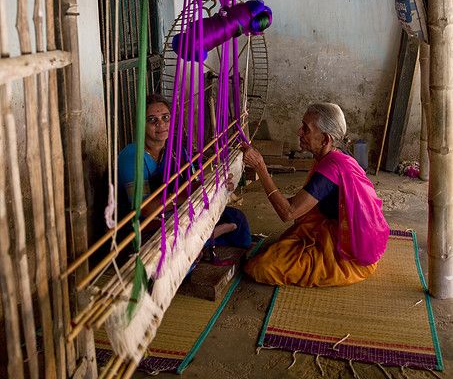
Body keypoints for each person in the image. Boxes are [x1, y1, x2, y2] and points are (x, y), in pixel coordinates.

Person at [242, 102, 389, 287]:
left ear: (325, 140)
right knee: (286, 243)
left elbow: (288, 213)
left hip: (351, 252)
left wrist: (260, 168)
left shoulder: (332, 168)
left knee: (261, 267)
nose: (299, 132)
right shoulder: (336, 155)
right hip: (338, 227)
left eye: (306, 129)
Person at [117, 93, 251, 248]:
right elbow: (144, 209)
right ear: (141, 124)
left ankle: (205, 238)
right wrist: (189, 193)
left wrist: (217, 186)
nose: (161, 124)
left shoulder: (174, 149)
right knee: (172, 246)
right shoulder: (132, 157)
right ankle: (206, 238)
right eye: (152, 120)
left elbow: (194, 182)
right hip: (145, 224)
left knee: (237, 219)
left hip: (177, 212)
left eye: (165, 118)